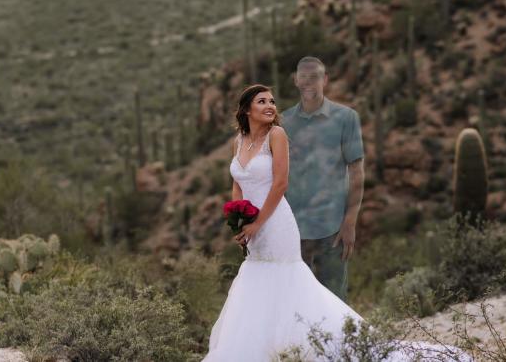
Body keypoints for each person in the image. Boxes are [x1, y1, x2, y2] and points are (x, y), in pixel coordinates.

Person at [201, 84, 472, 362]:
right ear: (247, 109)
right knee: (256, 280)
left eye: (272, 101)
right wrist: (238, 221)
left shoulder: (277, 135)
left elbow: (281, 183)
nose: (270, 105)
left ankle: (307, 347)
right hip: (252, 227)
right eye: (262, 101)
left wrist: (258, 223)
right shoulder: (239, 141)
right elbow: (238, 184)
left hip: (275, 224)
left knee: (284, 281)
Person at [280, 56, 363, 302]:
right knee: (297, 301)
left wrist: (350, 221)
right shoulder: (282, 123)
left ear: (324, 80)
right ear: (295, 81)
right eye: (303, 77)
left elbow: (356, 171)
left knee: (336, 300)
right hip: (293, 229)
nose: (308, 83)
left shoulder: (346, 118)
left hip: (333, 228)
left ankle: (340, 343)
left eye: (314, 77)